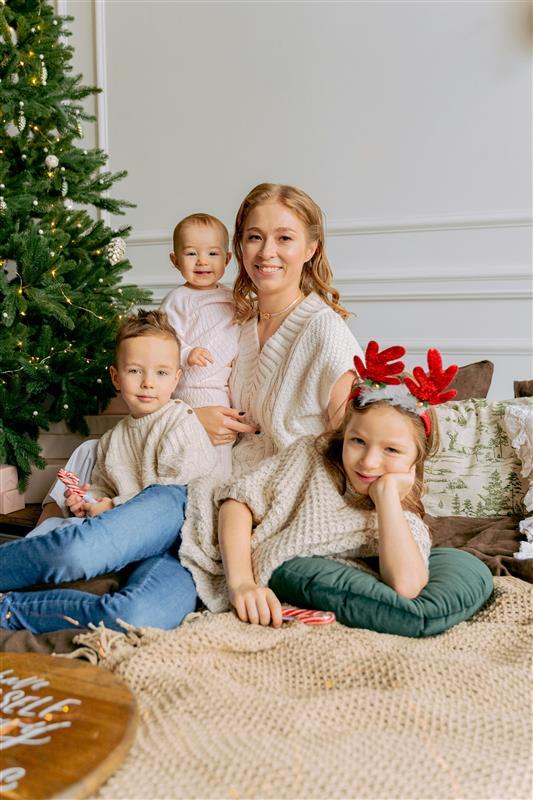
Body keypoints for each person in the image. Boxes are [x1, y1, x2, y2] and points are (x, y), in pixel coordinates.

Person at [179, 342, 459, 629]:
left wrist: (386, 497)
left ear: (415, 461)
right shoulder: (311, 456)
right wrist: (241, 584)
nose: (369, 462)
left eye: (392, 451)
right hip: (190, 511)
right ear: (344, 434)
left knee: (143, 610)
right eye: (358, 441)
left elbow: (407, 587)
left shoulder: (402, 524)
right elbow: (238, 500)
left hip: (191, 565)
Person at [0, 310, 219, 633]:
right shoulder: (111, 441)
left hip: (182, 539)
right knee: (76, 550)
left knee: (139, 617)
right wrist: (88, 502)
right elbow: (103, 488)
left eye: (161, 373)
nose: (147, 383)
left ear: (176, 378)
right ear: (116, 377)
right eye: (135, 371)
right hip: (128, 538)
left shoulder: (180, 421)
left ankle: (10, 612)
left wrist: (113, 507)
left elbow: (186, 493)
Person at [160, 213, 240, 477]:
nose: (203, 261)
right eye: (192, 253)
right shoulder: (178, 299)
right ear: (175, 260)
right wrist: (186, 352)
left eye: (213, 254)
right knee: (190, 446)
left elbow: (240, 332)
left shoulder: (232, 299)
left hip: (222, 387)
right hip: (190, 387)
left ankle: (219, 485)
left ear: (227, 259)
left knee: (222, 444)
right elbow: (164, 341)